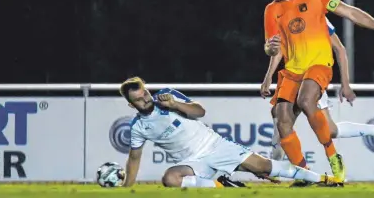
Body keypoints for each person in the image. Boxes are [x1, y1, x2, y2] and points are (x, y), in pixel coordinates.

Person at [263, 0, 374, 182]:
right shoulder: (272, 10)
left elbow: (345, 30)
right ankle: (303, 173)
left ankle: (330, 157)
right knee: (283, 119)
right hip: (293, 72)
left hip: (318, 68)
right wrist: (268, 65)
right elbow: (273, 47)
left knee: (305, 102)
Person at [118, 77, 342, 188]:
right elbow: (134, 158)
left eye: (145, 94)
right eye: (138, 99)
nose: (145, 99)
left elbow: (200, 111)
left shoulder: (165, 96)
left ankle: (325, 179)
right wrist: (126, 187)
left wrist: (175, 104)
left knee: (265, 168)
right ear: (131, 105)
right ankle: (222, 184)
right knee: (170, 179)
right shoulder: (138, 127)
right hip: (191, 162)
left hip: (215, 145)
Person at [260, 18, 374, 186]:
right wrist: (268, 77)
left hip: (312, 78)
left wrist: (345, 84)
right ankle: (281, 167)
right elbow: (278, 49)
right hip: (293, 76)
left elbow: (339, 48)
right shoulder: (282, 15)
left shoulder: (315, 14)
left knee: (327, 129)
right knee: (280, 119)